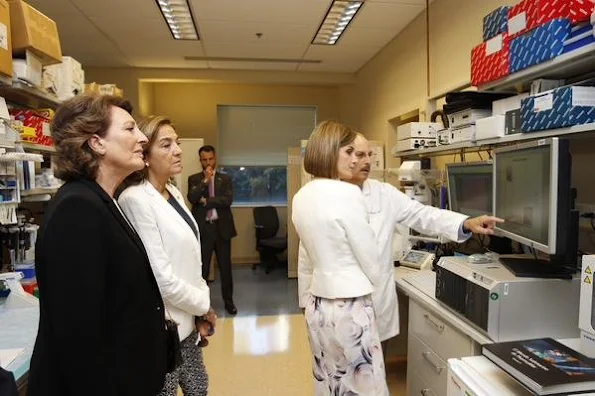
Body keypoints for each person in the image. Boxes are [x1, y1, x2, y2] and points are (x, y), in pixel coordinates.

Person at [27, 94, 168, 396]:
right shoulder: (77, 209)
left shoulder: (102, 200)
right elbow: (79, 334)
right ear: (96, 143)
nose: (142, 138)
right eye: (130, 129)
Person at [346, 133, 503, 349]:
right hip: (338, 305)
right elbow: (309, 259)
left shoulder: (383, 193)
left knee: (375, 371)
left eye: (369, 155)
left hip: (376, 301)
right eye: (359, 154)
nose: (366, 161)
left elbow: (423, 214)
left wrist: (466, 223)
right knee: (337, 377)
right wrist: (306, 302)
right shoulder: (321, 198)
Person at [118, 116, 216, 396]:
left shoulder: (172, 191)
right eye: (166, 144)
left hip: (190, 325)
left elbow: (189, 259)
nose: (178, 149)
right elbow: (161, 278)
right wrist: (204, 304)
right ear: (145, 156)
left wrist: (200, 309)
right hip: (165, 331)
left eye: (178, 142)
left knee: (199, 389)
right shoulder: (135, 199)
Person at [292, 120, 389, 396]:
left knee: (330, 381)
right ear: (329, 152)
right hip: (351, 306)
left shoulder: (301, 196)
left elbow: (307, 257)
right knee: (364, 386)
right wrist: (379, 296)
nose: (355, 160)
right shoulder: (348, 193)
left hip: (318, 305)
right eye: (349, 152)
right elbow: (369, 257)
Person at [187, 145, 238, 315]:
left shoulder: (225, 179)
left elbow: (227, 201)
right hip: (204, 229)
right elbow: (192, 197)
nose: (208, 163)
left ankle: (229, 302)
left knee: (225, 269)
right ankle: (202, 306)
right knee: (202, 269)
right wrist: (205, 181)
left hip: (222, 229)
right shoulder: (194, 179)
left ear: (215, 158)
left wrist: (207, 201)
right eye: (204, 159)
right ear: (200, 160)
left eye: (211, 159)